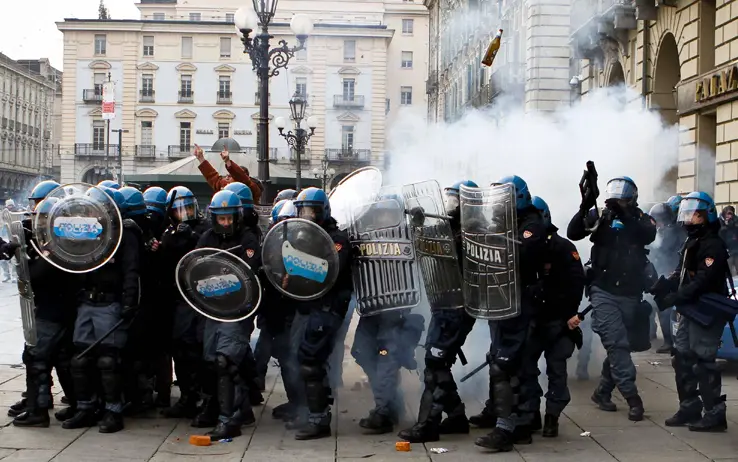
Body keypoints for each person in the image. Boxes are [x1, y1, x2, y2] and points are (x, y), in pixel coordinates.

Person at [566, 176, 655, 422]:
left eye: (621, 198)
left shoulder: (640, 219)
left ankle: (603, 391)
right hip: (603, 292)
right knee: (617, 344)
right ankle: (632, 397)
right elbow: (573, 232)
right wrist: (586, 204)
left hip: (631, 293)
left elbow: (647, 235)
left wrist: (625, 215)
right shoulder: (602, 217)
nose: (615, 201)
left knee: (623, 346)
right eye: (613, 197)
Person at [398, 181, 479, 443]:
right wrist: (418, 223)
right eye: (449, 198)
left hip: (459, 308)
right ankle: (455, 417)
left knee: (436, 363)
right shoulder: (447, 228)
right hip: (444, 304)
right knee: (437, 362)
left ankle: (428, 424)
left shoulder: (474, 233)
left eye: (455, 199)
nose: (449, 204)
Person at [474, 175, 547, 452]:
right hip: (502, 302)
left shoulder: (531, 225)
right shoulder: (508, 223)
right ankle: (518, 422)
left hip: (521, 303)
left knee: (511, 366)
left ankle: (512, 427)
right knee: (502, 361)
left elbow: (521, 254)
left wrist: (494, 240)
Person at [62, 187, 142, 433]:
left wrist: (129, 301)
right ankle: (86, 408)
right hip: (87, 300)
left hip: (110, 301)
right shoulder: (89, 231)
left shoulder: (124, 234)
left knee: (109, 359)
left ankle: (113, 410)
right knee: (80, 359)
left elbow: (131, 270)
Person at [653, 192, 729, 432]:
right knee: (682, 357)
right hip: (690, 309)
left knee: (703, 360)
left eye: (695, 215)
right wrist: (665, 283)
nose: (689, 219)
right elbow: (682, 272)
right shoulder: (691, 242)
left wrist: (677, 296)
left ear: (707, 216)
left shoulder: (713, 245)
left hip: (706, 309)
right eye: (687, 214)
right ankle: (689, 406)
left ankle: (715, 414)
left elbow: (702, 282)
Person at [517, 196, 585, 438]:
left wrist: (570, 314)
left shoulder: (563, 247)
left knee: (556, 371)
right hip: (534, 320)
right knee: (526, 367)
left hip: (558, 321)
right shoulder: (523, 246)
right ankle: (532, 413)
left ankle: (552, 417)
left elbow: (577, 283)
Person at [196, 189, 262, 440]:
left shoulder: (248, 239)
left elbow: (251, 271)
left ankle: (228, 420)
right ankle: (242, 410)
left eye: (229, 218)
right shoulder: (206, 238)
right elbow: (195, 267)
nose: (225, 223)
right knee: (213, 360)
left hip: (237, 310)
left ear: (237, 216)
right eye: (221, 218)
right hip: (213, 310)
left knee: (226, 361)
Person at [289, 187, 352, 440]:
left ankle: (319, 419)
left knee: (310, 359)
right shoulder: (300, 237)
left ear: (322, 211)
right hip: (309, 306)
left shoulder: (337, 238)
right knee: (302, 358)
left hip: (329, 307)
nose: (306, 216)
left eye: (311, 211)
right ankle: (312, 411)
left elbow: (328, 271)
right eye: (302, 211)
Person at [649, 201, 687, 353]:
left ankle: (669, 342)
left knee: (664, 310)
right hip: (666, 272)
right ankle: (664, 338)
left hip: (670, 273)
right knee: (658, 308)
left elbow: (661, 250)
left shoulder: (671, 233)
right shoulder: (671, 231)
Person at [193, 145, 262, 204]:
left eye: (230, 175)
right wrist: (201, 158)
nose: (227, 177)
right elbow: (213, 177)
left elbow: (241, 176)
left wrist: (228, 162)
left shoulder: (251, 187)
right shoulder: (227, 185)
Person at [719, 205, 738, 274]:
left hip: (736, 249)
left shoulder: (735, 221)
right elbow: (719, 234)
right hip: (727, 250)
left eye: (731, 214)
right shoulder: (720, 221)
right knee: (729, 271)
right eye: (728, 214)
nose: (729, 216)